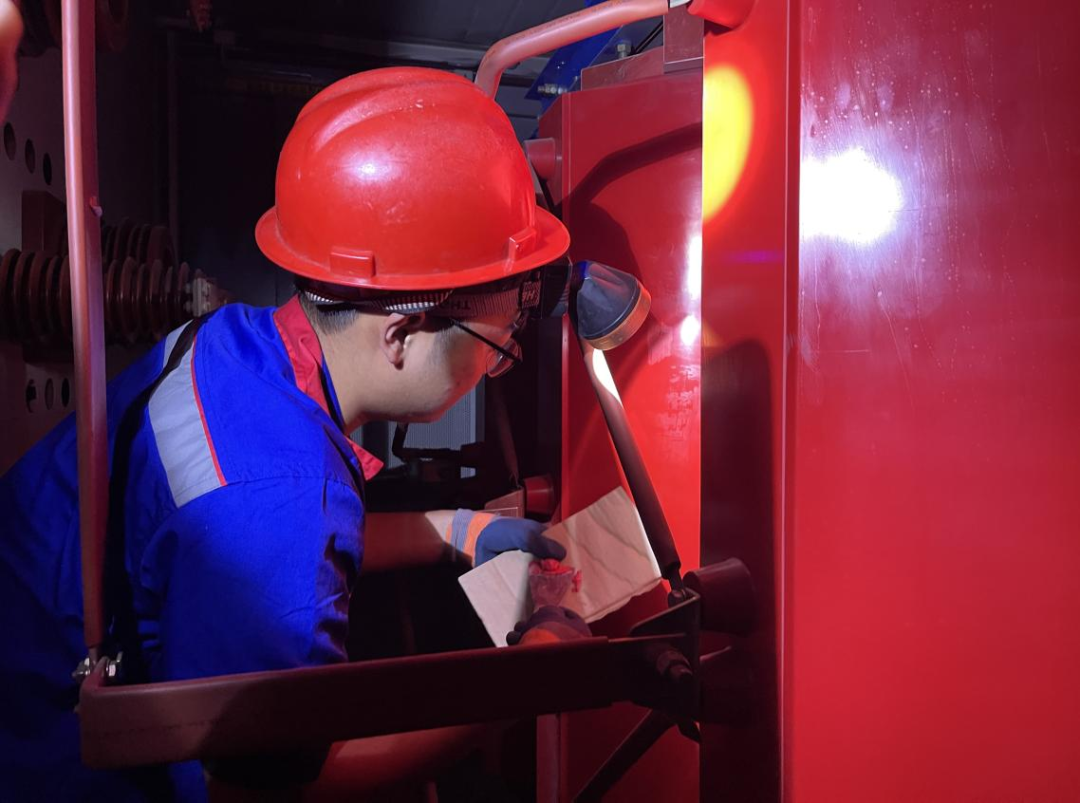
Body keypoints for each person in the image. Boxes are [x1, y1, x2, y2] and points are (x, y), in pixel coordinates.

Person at [0, 66, 587, 802]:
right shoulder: (284, 504)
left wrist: (456, 530)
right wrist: (533, 674)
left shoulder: (232, 344)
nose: (498, 363)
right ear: (403, 333)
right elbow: (278, 787)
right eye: (497, 344)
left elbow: (241, 537)